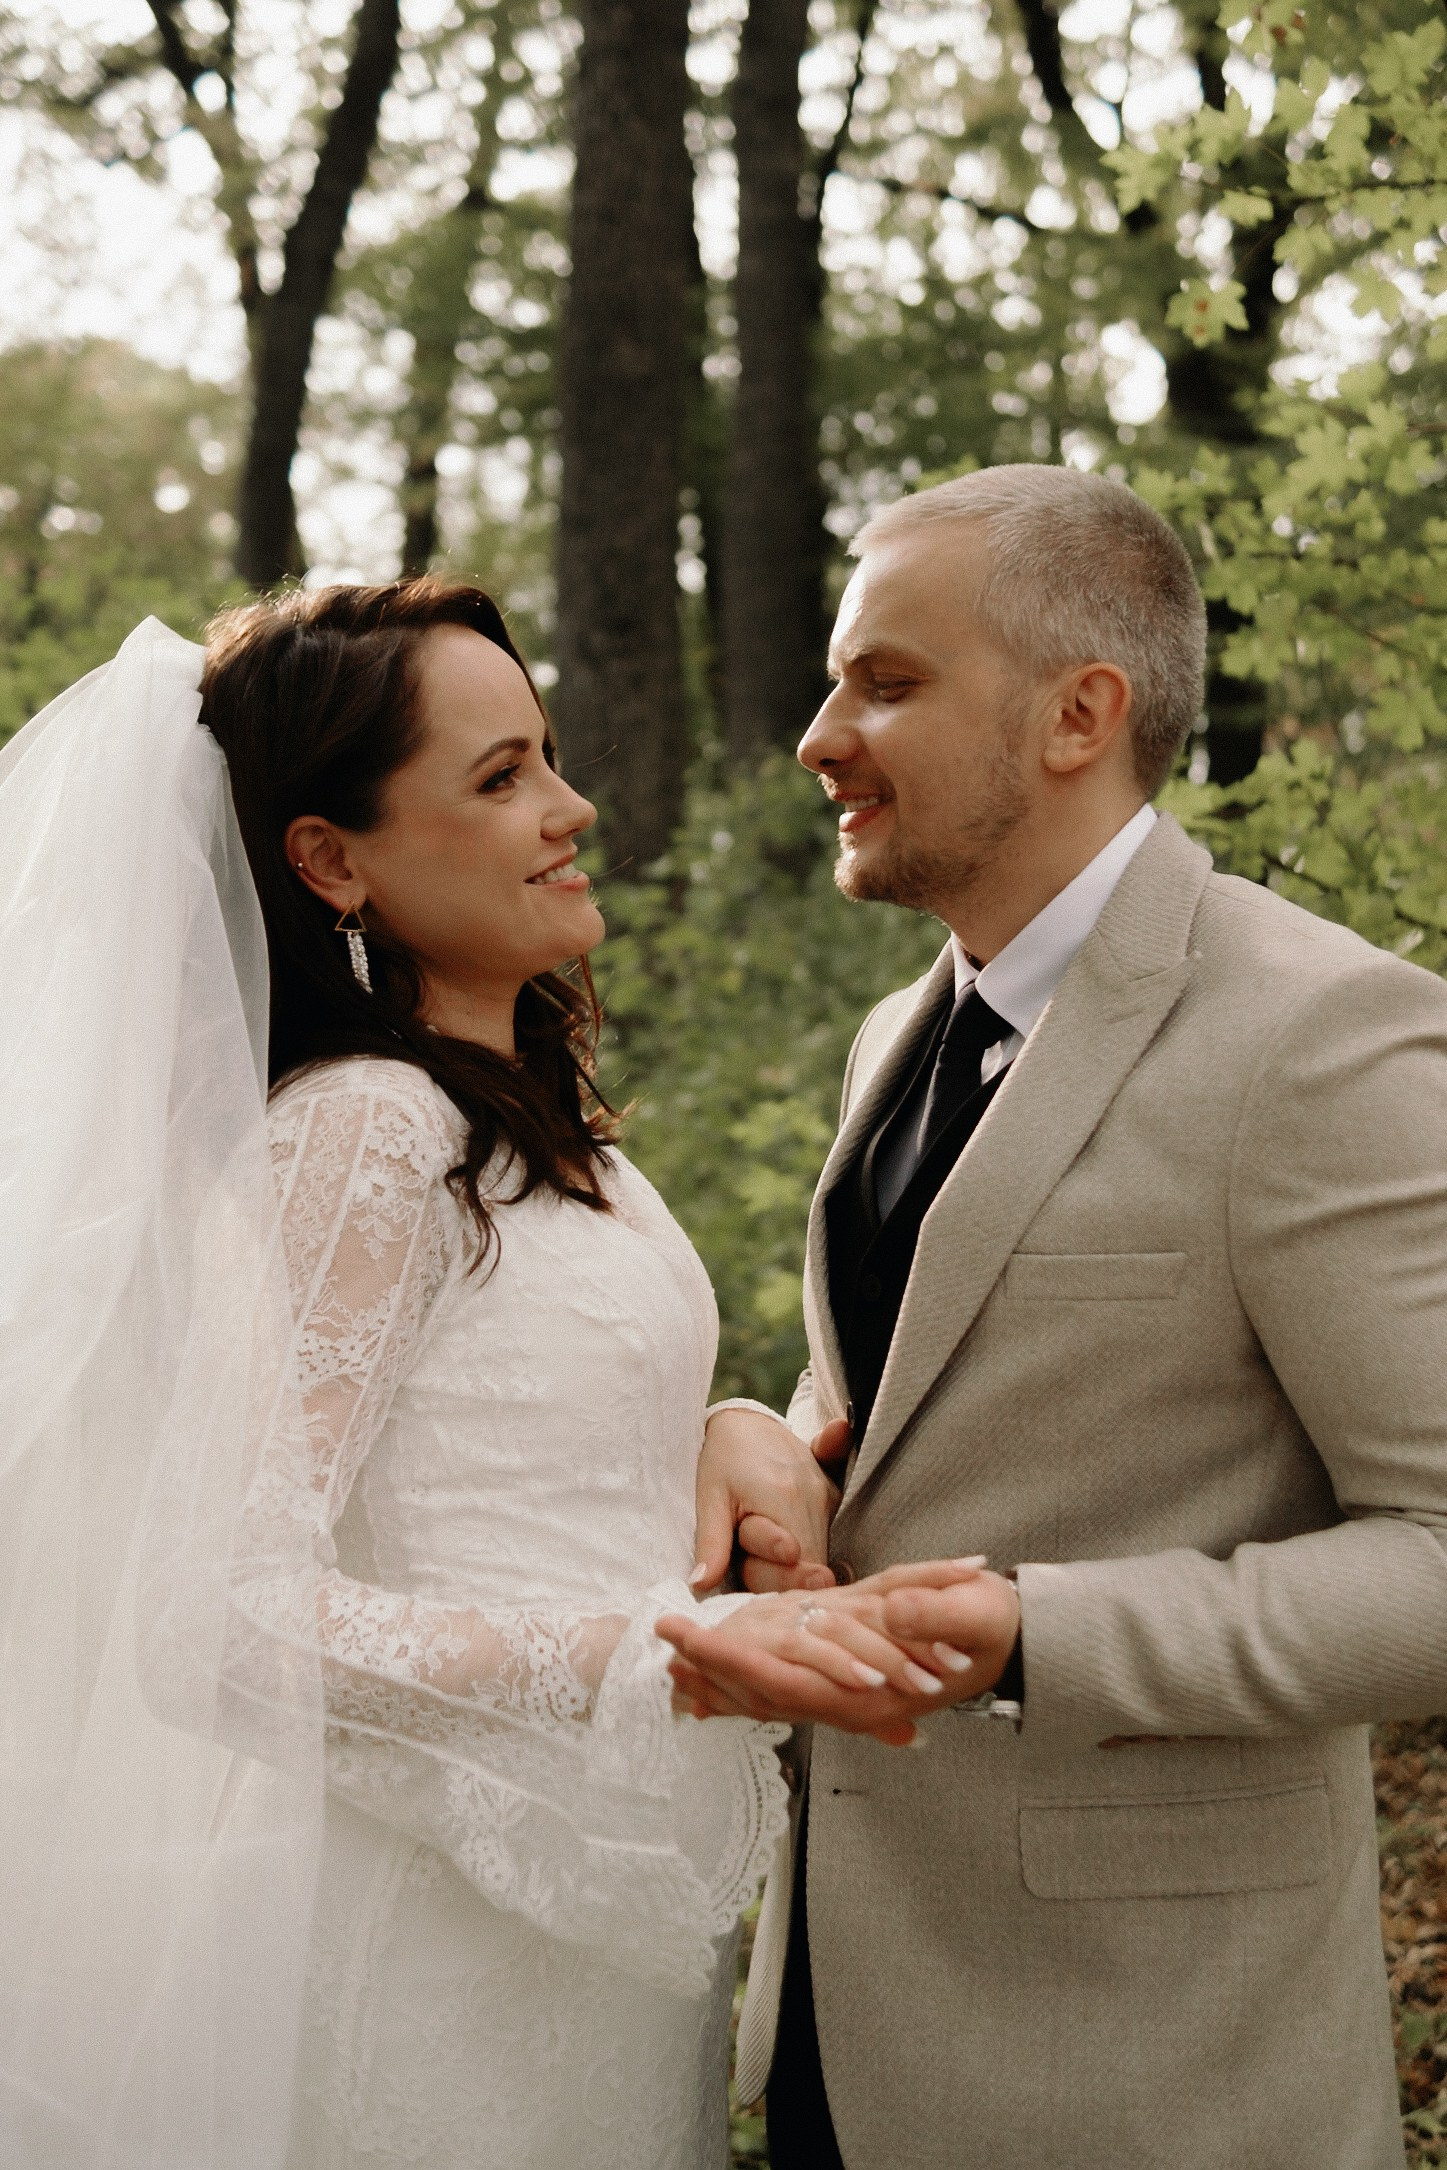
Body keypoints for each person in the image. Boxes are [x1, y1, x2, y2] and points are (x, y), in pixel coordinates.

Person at [0, 583, 977, 2170]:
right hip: (431, 1958)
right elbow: (215, 1619)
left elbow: (515, 1437)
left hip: (581, 1949)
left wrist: (727, 1429)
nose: (570, 808)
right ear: (333, 860)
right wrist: (657, 1655)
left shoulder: (523, 1127)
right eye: (501, 776)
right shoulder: (365, 1131)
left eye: (549, 756)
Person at [659, 464, 1447, 2170]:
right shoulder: (896, 1034)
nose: (819, 738)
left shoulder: (1325, 1035)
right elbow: (920, 1401)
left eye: (885, 682)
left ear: (1079, 713)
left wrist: (1041, 1635)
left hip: (1155, 2070)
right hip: (848, 2024)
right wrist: (771, 1442)